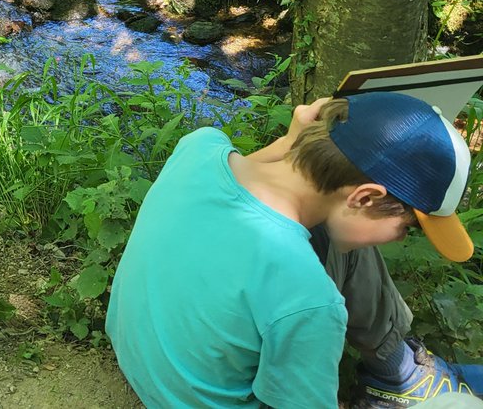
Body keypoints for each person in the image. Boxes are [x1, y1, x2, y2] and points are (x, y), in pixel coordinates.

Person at [105, 91, 482, 408]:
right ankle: (406, 384)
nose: (400, 238)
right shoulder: (310, 300)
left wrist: (290, 143)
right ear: (365, 197)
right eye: (407, 227)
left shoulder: (198, 147)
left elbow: (242, 179)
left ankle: (398, 371)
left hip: (144, 367)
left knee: (334, 231)